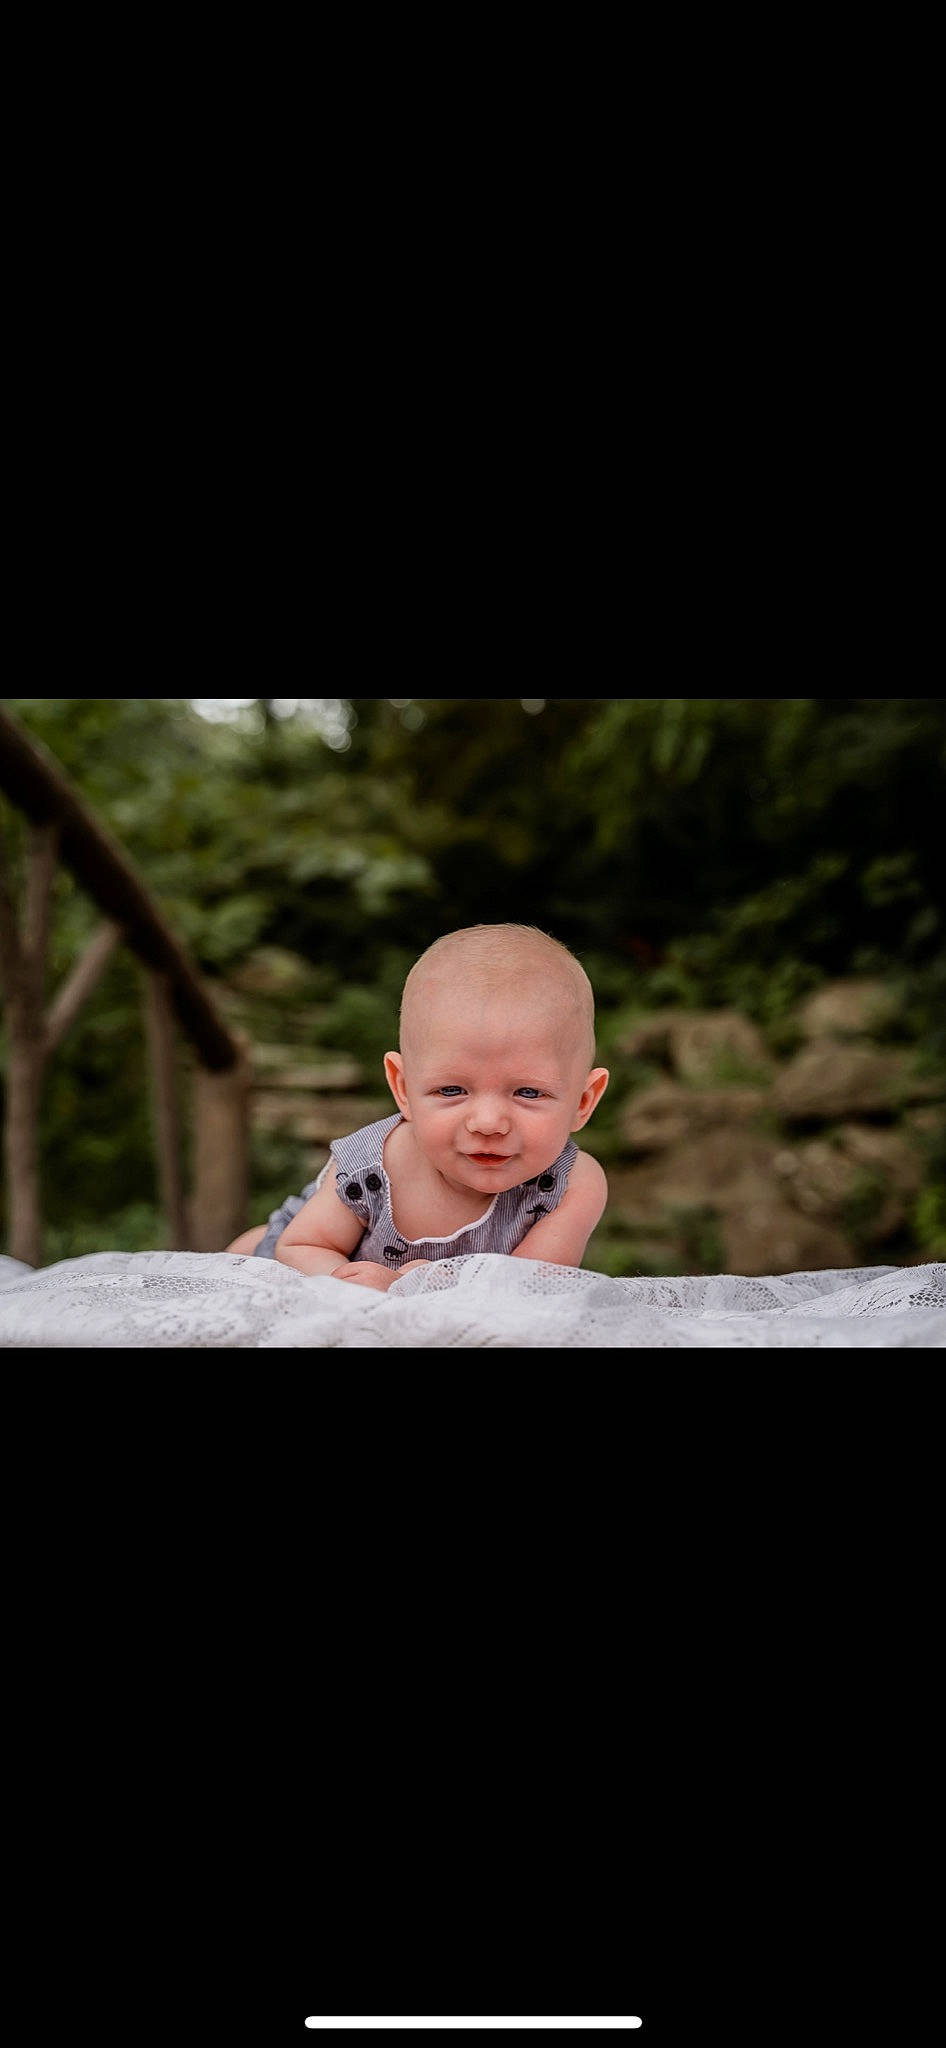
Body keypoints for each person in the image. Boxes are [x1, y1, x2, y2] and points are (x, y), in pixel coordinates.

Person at [226, 923, 610, 1291]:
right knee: (249, 1265)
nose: (488, 1123)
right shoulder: (373, 1164)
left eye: (528, 1092)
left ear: (583, 1100)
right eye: (452, 1090)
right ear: (403, 1087)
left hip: (444, 1295)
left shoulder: (571, 1185)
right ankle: (249, 1242)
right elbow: (303, 1248)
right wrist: (373, 1288)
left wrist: (417, 1288)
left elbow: (524, 1288)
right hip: (317, 1253)